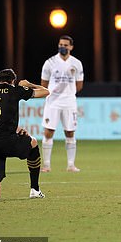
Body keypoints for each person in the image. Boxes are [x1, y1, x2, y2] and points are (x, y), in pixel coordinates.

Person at [0, 69, 49, 201]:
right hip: (7, 141)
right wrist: (29, 85)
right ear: (12, 81)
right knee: (33, 143)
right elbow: (46, 91)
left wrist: (16, 128)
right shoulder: (14, 90)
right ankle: (35, 189)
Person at [40, 35, 84, 173]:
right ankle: (46, 165)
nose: (62, 47)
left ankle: (71, 165)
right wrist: (56, 93)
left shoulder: (76, 63)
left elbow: (79, 85)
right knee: (48, 132)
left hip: (69, 102)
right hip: (53, 102)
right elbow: (44, 84)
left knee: (70, 132)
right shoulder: (50, 62)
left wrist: (68, 93)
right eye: (61, 44)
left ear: (71, 47)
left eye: (65, 45)